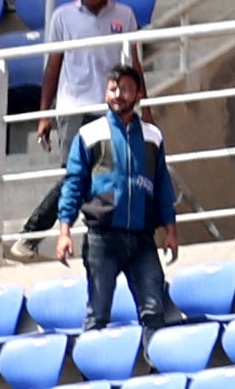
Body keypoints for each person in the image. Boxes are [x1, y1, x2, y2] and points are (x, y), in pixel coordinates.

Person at [44, 62, 182, 333]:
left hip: (143, 240)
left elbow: (163, 186)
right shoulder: (89, 134)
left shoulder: (153, 136)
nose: (118, 94)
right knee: (98, 314)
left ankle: (156, 371)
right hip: (102, 239)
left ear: (138, 94)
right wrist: (64, 231)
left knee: (154, 311)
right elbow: (73, 186)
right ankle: (93, 375)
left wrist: (171, 230)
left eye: (126, 89)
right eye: (113, 89)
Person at [39, 0, 135, 119]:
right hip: (72, 108)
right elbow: (52, 67)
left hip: (112, 107)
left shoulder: (125, 14)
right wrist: (44, 115)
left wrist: (145, 108)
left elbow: (134, 64)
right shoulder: (61, 16)